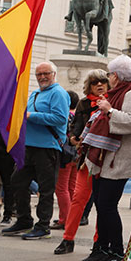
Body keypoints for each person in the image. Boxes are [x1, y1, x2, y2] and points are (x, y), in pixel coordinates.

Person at [79, 55, 131, 261]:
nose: (108, 78)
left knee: (107, 206)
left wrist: (109, 110)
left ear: (115, 76)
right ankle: (102, 248)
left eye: (109, 74)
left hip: (119, 160)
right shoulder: (113, 94)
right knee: (101, 205)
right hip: (104, 160)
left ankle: (116, 251)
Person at [1, 62, 69, 240]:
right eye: (39, 74)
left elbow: (60, 118)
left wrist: (31, 116)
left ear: (54, 74)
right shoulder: (35, 93)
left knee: (46, 189)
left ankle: (43, 226)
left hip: (47, 148)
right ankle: (24, 220)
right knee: (17, 181)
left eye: (46, 73)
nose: (42, 77)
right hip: (29, 147)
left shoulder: (58, 93)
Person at [55, 70, 109, 256]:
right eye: (95, 83)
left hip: (107, 160)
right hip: (86, 158)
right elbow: (73, 128)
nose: (99, 85)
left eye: (103, 81)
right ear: (89, 86)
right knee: (78, 199)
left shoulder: (114, 103)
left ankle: (98, 243)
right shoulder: (84, 103)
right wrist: (73, 139)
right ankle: (68, 239)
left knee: (103, 203)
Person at [51, 90, 80, 230]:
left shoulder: (65, 116)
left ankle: (65, 219)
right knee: (72, 187)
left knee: (61, 188)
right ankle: (72, 217)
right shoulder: (77, 116)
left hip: (65, 155)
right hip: (76, 155)